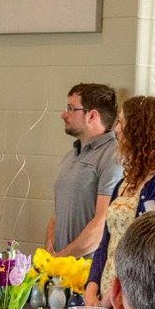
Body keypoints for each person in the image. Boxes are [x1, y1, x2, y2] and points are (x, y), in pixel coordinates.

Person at [84, 96, 155, 309]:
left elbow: (149, 250)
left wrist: (113, 295)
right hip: (105, 293)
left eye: (122, 122)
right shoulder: (123, 183)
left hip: (130, 295)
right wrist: (92, 285)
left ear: (142, 131)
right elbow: (106, 242)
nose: (116, 129)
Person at [46, 83, 123, 257]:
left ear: (92, 116)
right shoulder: (71, 155)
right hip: (59, 269)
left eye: (71, 108)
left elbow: (102, 223)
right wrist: (51, 254)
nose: (63, 115)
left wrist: (62, 257)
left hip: (88, 274)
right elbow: (57, 214)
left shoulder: (113, 156)